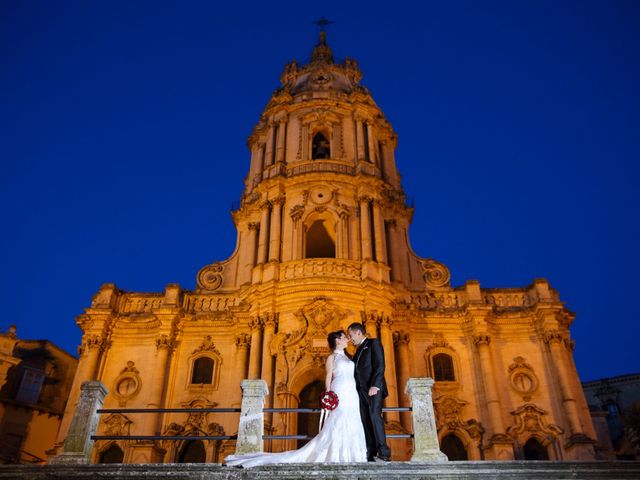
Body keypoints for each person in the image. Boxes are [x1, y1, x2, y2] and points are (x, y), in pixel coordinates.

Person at [224, 330, 367, 467]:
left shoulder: (348, 356)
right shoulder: (332, 357)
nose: (347, 339)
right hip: (340, 389)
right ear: (337, 340)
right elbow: (329, 375)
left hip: (351, 392)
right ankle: (336, 454)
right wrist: (328, 395)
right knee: (339, 419)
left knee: (352, 418)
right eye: (343, 337)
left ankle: (351, 454)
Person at [347, 322, 391, 462]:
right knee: (365, 420)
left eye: (351, 335)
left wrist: (375, 385)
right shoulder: (358, 350)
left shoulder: (374, 343)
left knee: (374, 416)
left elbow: (380, 365)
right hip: (361, 391)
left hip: (373, 389)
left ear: (358, 333)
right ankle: (371, 452)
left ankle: (384, 451)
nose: (350, 338)